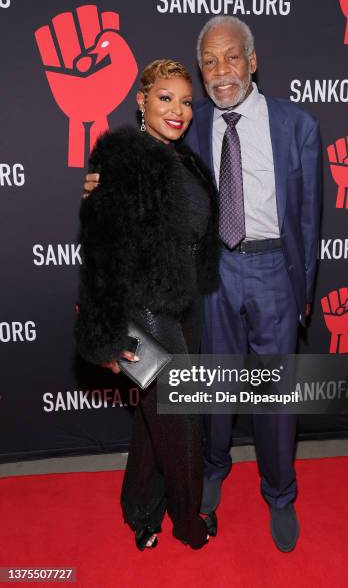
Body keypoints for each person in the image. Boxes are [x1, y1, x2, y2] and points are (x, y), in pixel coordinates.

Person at [84, 16, 322, 553]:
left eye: (232, 57)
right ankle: (212, 468)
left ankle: (280, 493)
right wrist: (102, 188)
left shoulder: (296, 125)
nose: (221, 71)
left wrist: (303, 288)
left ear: (252, 61)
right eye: (210, 61)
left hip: (273, 271)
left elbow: (310, 218)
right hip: (212, 277)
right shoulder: (193, 125)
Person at [76, 59, 220, 551]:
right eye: (165, 98)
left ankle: (139, 507)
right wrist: (106, 334)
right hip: (146, 306)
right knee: (181, 418)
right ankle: (188, 519)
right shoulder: (123, 158)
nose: (177, 110)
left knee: (156, 414)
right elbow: (101, 252)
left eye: (185, 101)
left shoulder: (186, 161)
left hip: (187, 301)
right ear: (141, 99)